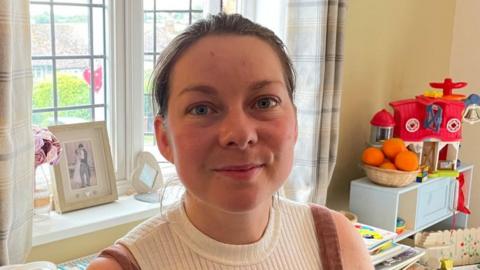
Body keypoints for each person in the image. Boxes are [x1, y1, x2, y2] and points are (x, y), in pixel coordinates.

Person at [88, 13, 373, 270]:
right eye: (201, 109)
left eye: (264, 102)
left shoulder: (337, 241)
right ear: (164, 138)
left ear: (295, 123)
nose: (239, 134)